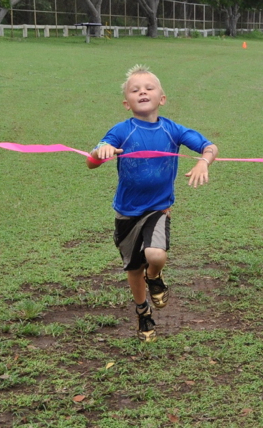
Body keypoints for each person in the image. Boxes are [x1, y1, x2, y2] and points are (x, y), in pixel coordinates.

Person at [86, 65, 218, 342]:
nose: (142, 92)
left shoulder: (172, 130)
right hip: (126, 213)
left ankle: (155, 278)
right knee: (134, 269)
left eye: (149, 88)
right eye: (135, 90)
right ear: (127, 103)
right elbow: (91, 161)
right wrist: (101, 152)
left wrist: (204, 161)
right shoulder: (122, 131)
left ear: (162, 98)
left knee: (155, 256)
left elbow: (209, 146)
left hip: (159, 208)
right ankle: (143, 312)